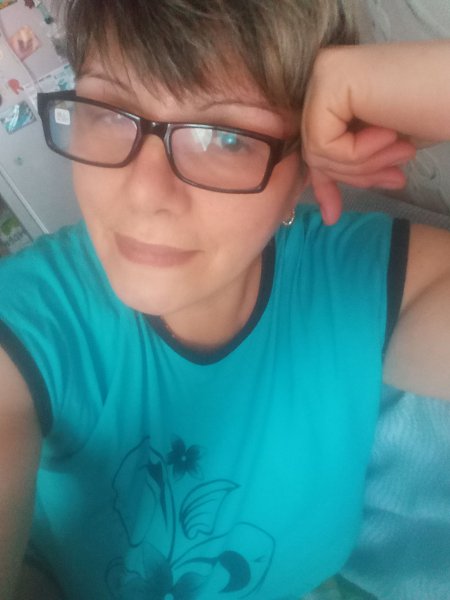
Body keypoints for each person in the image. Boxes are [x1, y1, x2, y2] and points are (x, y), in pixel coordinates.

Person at [0, 1, 449, 598]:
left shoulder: (357, 279)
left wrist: (427, 87)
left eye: (225, 137)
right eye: (109, 111)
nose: (145, 192)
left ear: (303, 172)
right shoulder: (29, 324)